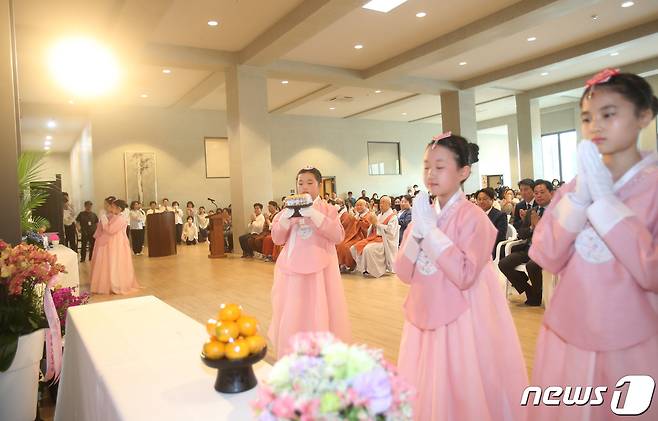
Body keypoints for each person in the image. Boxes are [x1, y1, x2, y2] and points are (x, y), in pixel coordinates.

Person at [528, 70, 658, 421]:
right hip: (568, 330)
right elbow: (545, 256)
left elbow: (652, 272)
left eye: (608, 114)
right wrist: (579, 199)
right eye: (587, 118)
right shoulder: (575, 185)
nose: (595, 125)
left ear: (644, 116)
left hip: (632, 336)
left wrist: (605, 203)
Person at [394, 133, 527, 421]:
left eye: (440, 167)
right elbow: (404, 273)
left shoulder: (474, 218)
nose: (431, 174)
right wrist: (418, 232)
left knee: (460, 381)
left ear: (463, 172)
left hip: (463, 315)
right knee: (426, 383)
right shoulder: (423, 215)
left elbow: (465, 275)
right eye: (427, 166)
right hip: (423, 312)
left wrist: (431, 234)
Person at [268, 167, 350, 358]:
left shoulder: (328, 209)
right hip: (292, 269)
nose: (304, 186)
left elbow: (338, 236)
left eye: (309, 182)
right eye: (300, 182)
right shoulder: (286, 210)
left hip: (321, 270)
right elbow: (277, 239)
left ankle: (320, 353)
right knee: (293, 309)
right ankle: (292, 351)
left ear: (319, 186)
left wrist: (314, 215)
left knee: (319, 308)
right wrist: (287, 220)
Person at [498, 180, 553, 305]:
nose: (538, 195)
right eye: (536, 193)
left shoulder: (556, 211)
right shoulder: (532, 211)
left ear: (551, 193)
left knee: (532, 265)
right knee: (504, 263)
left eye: (542, 192)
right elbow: (521, 233)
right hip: (529, 248)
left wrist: (538, 226)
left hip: (547, 250)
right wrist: (531, 228)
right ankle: (530, 290)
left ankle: (537, 295)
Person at [90, 198, 139, 295]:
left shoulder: (121, 218)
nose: (110, 208)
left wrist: (103, 219)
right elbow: (103, 228)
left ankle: (116, 284)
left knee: (116, 263)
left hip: (118, 244)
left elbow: (110, 230)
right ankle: (108, 283)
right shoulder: (112, 216)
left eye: (113, 207)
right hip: (110, 243)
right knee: (109, 263)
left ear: (119, 208)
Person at [351, 195, 399, 278]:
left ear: (389, 204)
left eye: (383, 203)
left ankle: (374, 270)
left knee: (367, 249)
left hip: (385, 240)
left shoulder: (393, 217)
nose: (381, 205)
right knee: (354, 248)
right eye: (380, 203)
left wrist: (377, 224)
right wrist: (373, 224)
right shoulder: (379, 215)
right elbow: (373, 227)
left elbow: (391, 232)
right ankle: (364, 268)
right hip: (374, 237)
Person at [336, 199, 371, 273]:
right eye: (357, 205)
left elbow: (367, 228)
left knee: (346, 247)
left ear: (365, 206)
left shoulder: (369, 215)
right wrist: (351, 218)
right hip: (352, 235)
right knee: (339, 244)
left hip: (361, 236)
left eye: (360, 205)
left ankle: (351, 265)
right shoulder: (356, 214)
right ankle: (342, 264)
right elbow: (348, 225)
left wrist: (356, 219)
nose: (358, 207)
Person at [476, 188, 508, 258]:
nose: (481, 202)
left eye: (485, 199)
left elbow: (500, 236)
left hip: (492, 248)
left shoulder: (500, 215)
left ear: (492, 200)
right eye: (479, 199)